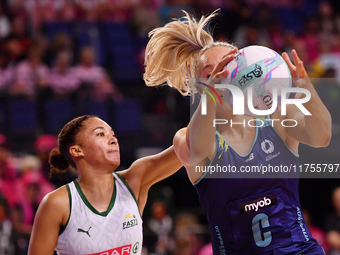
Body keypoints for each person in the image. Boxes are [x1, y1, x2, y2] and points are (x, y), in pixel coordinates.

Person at [144, 11, 332, 255]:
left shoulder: (276, 117)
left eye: (229, 68)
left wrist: (308, 90)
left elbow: (322, 137)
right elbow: (199, 148)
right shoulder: (187, 138)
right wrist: (212, 93)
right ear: (200, 87)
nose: (223, 76)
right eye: (211, 74)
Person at [27, 115, 184, 255]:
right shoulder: (57, 203)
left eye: (113, 134)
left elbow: (189, 145)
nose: (114, 139)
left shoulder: (134, 181)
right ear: (77, 150)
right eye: (101, 134)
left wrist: (205, 88)